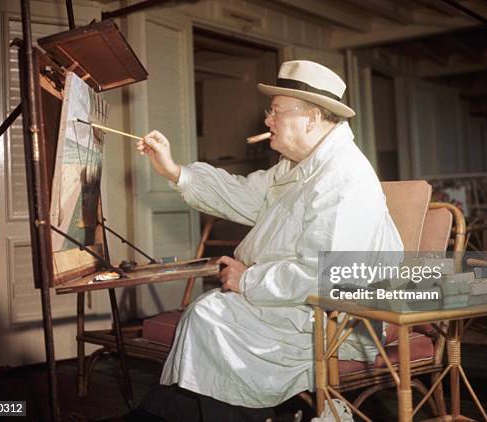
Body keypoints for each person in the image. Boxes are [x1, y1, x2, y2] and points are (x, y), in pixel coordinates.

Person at [134, 60, 403, 421]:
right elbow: (245, 194)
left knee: (212, 318)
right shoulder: (298, 166)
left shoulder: (344, 177)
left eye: (276, 111)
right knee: (208, 315)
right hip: (293, 304)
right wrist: (173, 170)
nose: (267, 121)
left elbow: (330, 275)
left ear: (311, 118)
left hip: (337, 321)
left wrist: (248, 279)